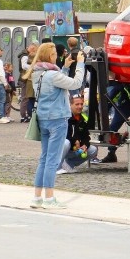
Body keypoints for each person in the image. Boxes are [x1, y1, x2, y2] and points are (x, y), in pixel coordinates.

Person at [29, 42, 85, 209]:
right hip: (58, 119)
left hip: (43, 119)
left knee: (44, 158)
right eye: (54, 56)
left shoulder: (37, 73)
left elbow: (58, 83)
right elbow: (75, 84)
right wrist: (80, 64)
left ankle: (37, 197)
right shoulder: (52, 75)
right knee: (53, 160)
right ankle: (49, 198)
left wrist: (65, 68)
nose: (56, 58)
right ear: (49, 57)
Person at [56, 94, 99, 174]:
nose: (80, 106)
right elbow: (63, 135)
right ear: (70, 105)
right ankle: (57, 167)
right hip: (61, 148)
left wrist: (85, 145)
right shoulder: (64, 117)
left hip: (75, 149)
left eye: (81, 104)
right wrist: (75, 141)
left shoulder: (83, 119)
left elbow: (87, 137)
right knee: (66, 143)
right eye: (77, 104)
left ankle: (68, 164)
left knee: (93, 150)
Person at [20, 44, 37, 122]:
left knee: (30, 99)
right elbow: (23, 66)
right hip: (29, 80)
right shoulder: (25, 57)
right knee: (28, 98)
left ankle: (28, 115)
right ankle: (25, 115)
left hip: (29, 80)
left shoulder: (26, 57)